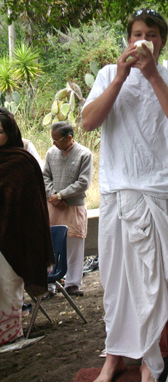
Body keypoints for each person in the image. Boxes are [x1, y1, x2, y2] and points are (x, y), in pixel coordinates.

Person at [82, 8, 168, 382]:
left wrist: (151, 75)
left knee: (153, 285)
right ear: (128, 40)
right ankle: (114, 353)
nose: (141, 40)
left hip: (156, 194)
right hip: (117, 192)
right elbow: (87, 122)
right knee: (115, 283)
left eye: (149, 34)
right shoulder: (105, 76)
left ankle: (149, 360)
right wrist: (120, 78)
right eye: (135, 34)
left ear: (161, 41)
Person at [0, 108, 54, 346]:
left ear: (10, 133)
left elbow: (29, 206)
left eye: (0, 131)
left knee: (7, 285)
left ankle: (9, 335)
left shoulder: (22, 161)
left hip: (15, 234)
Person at [43, 121, 93, 297]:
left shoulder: (84, 154)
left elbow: (84, 182)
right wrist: (54, 196)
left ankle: (73, 283)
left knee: (75, 245)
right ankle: (50, 285)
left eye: (57, 139)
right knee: (51, 246)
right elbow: (45, 176)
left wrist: (62, 196)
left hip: (74, 206)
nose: (53, 143)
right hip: (54, 206)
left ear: (69, 138)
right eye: (52, 139)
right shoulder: (51, 153)